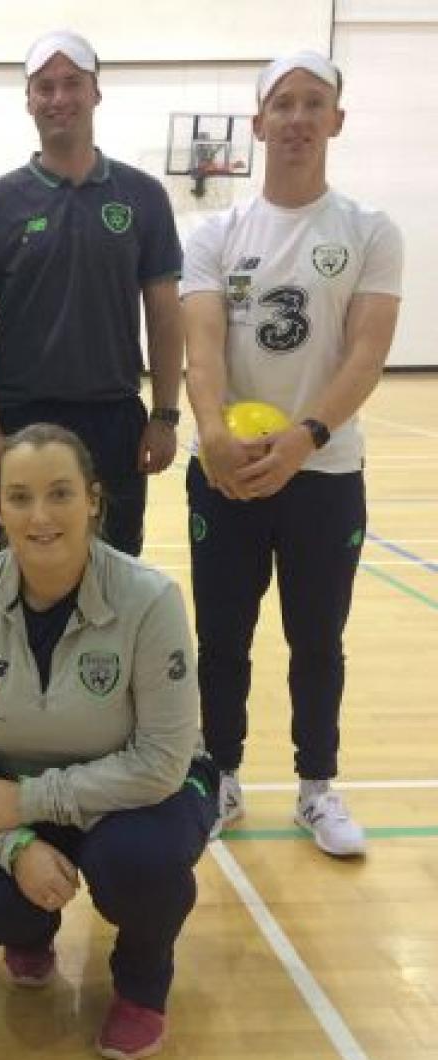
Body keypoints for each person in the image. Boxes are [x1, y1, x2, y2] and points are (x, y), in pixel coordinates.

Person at [0, 424, 216, 1060]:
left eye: (60, 494)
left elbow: (162, 762)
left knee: (141, 866)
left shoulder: (150, 598)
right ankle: (30, 922)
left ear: (95, 501)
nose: (40, 515)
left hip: (138, 798)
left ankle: (142, 979)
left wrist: (29, 801)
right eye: (20, 497)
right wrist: (17, 845)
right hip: (15, 801)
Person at [182, 51, 403, 857]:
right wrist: (211, 431)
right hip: (228, 474)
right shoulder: (216, 232)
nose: (299, 118)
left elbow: (366, 354)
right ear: (258, 123)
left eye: (315, 104)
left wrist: (306, 436)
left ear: (337, 120)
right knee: (223, 638)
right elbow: (201, 347)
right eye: (284, 104)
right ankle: (221, 775)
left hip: (325, 476)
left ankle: (317, 787)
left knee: (318, 639)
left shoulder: (371, 231)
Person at [0, 29, 184, 560]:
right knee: (8, 567)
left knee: (113, 571)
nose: (59, 99)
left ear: (95, 93)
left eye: (72, 84)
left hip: (113, 419)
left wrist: (165, 415)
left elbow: (165, 314)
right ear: (29, 101)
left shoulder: (143, 196)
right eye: (45, 87)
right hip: (18, 418)